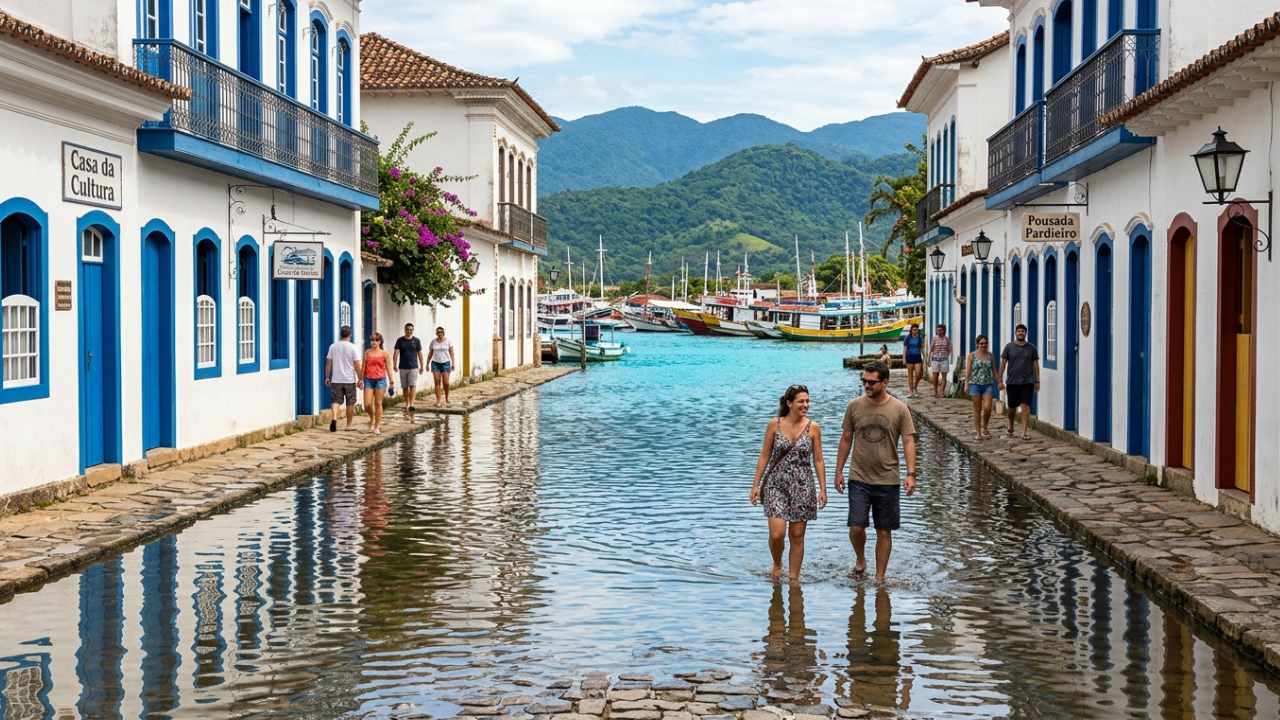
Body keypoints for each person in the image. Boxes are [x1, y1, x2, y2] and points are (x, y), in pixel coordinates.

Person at [834, 361, 917, 583]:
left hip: (888, 479)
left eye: (871, 382)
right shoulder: (854, 406)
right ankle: (860, 559)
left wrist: (911, 474)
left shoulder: (900, 409)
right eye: (864, 381)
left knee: (884, 531)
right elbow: (846, 439)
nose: (867, 385)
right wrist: (838, 471)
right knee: (856, 526)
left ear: (885, 382)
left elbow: (909, 441)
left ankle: (880, 578)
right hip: (858, 477)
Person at [750, 384, 827, 581]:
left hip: (803, 486)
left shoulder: (813, 427)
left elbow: (818, 459)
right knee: (777, 535)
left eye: (807, 401)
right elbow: (765, 455)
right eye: (801, 401)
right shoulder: (774, 425)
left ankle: (794, 579)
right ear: (789, 403)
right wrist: (755, 485)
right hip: (776, 484)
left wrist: (823, 488)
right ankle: (777, 564)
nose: (806, 405)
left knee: (797, 536)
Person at [997, 324, 1041, 440]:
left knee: (1025, 405)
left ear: (1026, 333)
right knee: (1012, 408)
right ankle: (1011, 426)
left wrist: (1037, 381)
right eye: (1019, 331)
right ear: (1015, 333)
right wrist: (999, 379)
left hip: (1027, 381)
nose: (1021, 333)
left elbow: (1035, 365)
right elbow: (1003, 363)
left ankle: (1024, 432)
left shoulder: (1031, 348)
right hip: (1012, 382)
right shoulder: (1009, 347)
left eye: (1023, 331)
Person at [324, 325, 363, 432]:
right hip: (349, 379)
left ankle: (334, 419)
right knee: (350, 402)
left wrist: (327, 376)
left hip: (336, 379)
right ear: (350, 335)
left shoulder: (333, 346)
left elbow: (329, 362)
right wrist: (360, 378)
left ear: (340, 334)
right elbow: (356, 364)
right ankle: (348, 425)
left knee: (335, 400)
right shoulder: (353, 347)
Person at [964, 334, 996, 440]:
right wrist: (966, 384)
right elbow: (968, 371)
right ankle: (978, 432)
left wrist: (999, 382)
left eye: (985, 343)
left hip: (987, 384)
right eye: (981, 343)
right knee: (977, 409)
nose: (984, 345)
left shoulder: (990, 356)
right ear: (977, 344)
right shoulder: (971, 356)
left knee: (987, 408)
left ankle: (985, 428)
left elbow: (994, 370)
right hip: (974, 384)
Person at [362, 333, 392, 434]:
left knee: (378, 403)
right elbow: (364, 366)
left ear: (380, 342)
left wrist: (391, 380)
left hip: (380, 379)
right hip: (368, 379)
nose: (373, 342)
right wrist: (361, 379)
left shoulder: (384, 353)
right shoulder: (367, 352)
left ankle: (377, 426)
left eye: (375, 340)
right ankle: (372, 416)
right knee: (367, 404)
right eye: (372, 340)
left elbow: (388, 367)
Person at [393, 323, 425, 412]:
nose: (409, 331)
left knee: (413, 385)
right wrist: (394, 364)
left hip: (413, 366)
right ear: (404, 330)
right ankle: (406, 403)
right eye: (407, 329)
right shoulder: (400, 340)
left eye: (411, 329)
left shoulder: (416, 341)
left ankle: (412, 403)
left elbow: (420, 354)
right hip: (403, 366)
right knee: (405, 386)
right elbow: (396, 352)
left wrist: (422, 366)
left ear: (413, 330)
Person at [428, 327, 456, 406]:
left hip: (445, 363)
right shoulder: (433, 342)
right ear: (436, 333)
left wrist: (453, 363)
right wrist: (427, 363)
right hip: (435, 363)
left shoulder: (448, 342)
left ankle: (447, 397)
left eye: (441, 332)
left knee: (446, 382)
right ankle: (438, 401)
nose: (440, 333)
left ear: (443, 333)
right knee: (437, 382)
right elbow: (430, 353)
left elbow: (452, 353)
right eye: (438, 332)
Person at [929, 325, 952, 398]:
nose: (939, 332)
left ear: (943, 330)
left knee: (944, 377)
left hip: (944, 359)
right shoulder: (934, 339)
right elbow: (931, 349)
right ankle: (935, 391)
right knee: (935, 377)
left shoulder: (946, 339)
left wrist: (946, 355)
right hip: (935, 359)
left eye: (940, 330)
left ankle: (942, 392)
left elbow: (949, 349)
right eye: (938, 330)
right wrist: (929, 359)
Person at [902, 325, 925, 398]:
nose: (915, 331)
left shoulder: (919, 338)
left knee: (918, 374)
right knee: (910, 375)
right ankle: (911, 391)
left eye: (916, 330)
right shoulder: (908, 338)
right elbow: (905, 348)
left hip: (917, 356)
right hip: (909, 356)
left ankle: (915, 387)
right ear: (911, 330)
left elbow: (922, 348)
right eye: (913, 329)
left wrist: (925, 357)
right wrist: (904, 358)